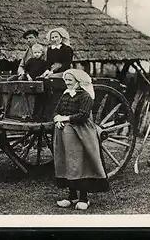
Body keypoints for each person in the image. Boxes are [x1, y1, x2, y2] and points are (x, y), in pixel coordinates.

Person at [53, 69, 109, 210]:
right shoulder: (65, 94)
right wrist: (57, 119)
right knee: (67, 162)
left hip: (81, 132)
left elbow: (83, 115)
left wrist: (65, 118)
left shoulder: (85, 96)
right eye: (66, 80)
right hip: (64, 133)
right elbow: (56, 110)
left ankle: (84, 198)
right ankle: (71, 196)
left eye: (70, 80)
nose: (67, 83)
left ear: (78, 82)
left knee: (80, 163)